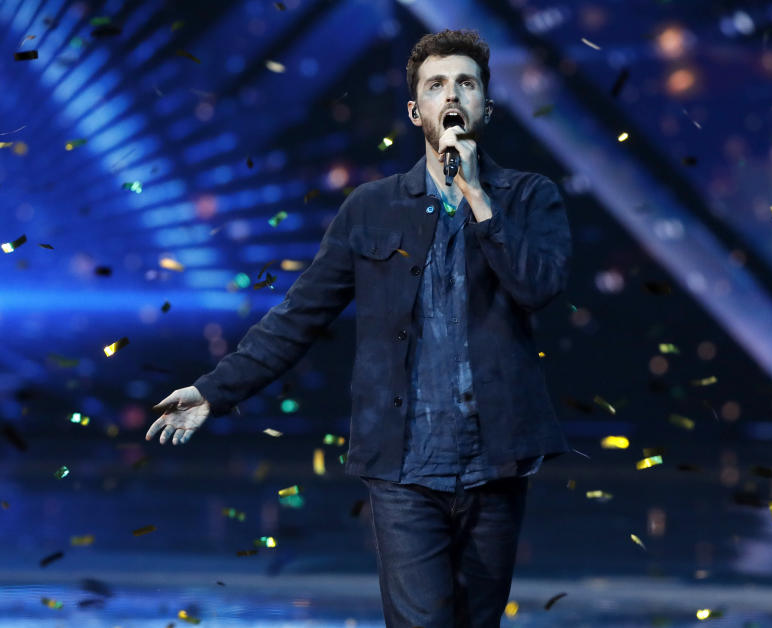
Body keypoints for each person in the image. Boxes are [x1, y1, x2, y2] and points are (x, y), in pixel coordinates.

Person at [146, 28, 573, 628]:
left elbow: (539, 287)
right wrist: (216, 391)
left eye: (466, 84)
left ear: (486, 106)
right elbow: (300, 315)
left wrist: (477, 196)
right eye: (436, 85)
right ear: (415, 109)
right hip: (402, 462)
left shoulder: (529, 197)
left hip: (495, 460)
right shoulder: (371, 208)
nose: (452, 95)